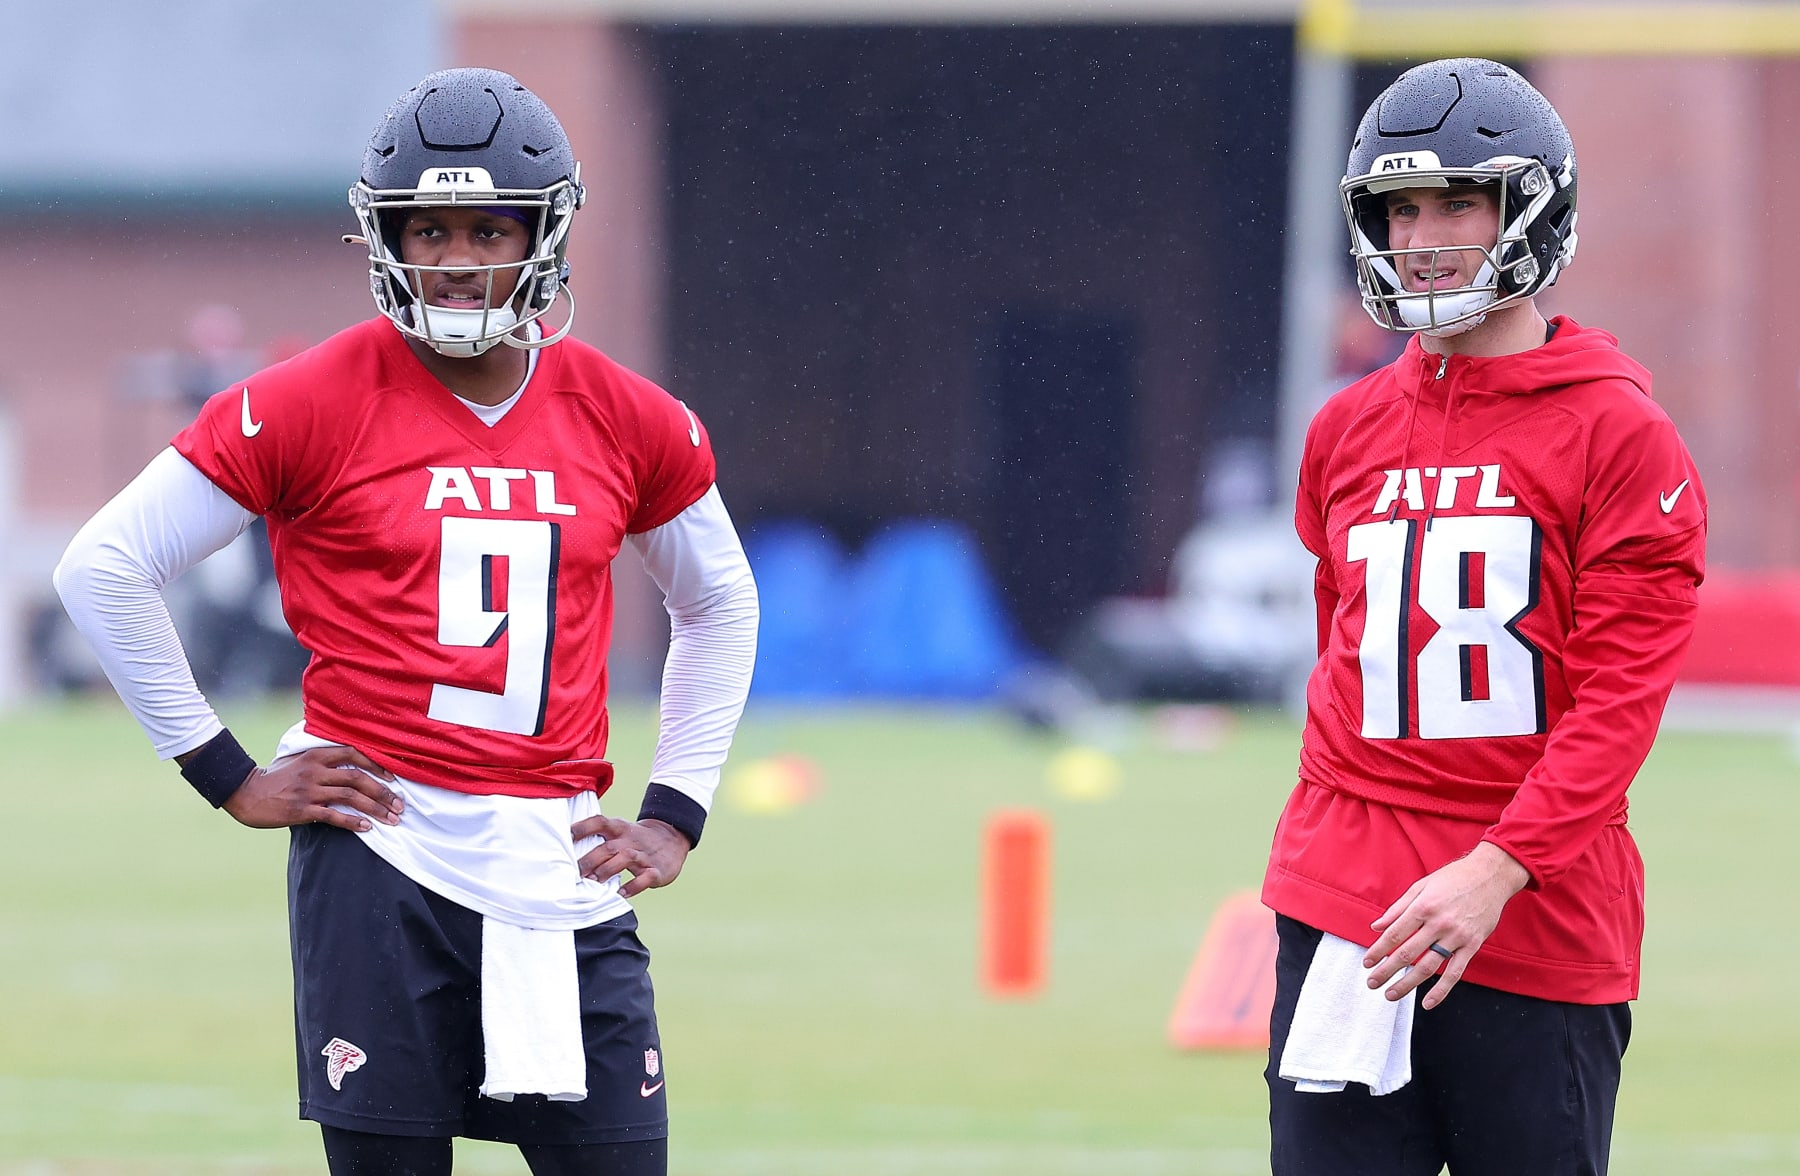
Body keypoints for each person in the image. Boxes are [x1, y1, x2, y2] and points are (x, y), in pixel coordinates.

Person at [54, 68, 758, 1176]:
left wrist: (677, 811)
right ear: (383, 238)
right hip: (381, 850)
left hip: (559, 860)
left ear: (547, 232)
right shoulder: (305, 398)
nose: (457, 257)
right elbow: (104, 566)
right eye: (427, 228)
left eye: (489, 226)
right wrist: (226, 773)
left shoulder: (630, 415)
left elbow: (719, 600)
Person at [1260, 58, 1705, 1174]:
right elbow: (1345, 669)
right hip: (1346, 910)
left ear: (1531, 209)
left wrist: (1500, 864)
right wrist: (1332, 877)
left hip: (1535, 914)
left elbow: (1617, 705)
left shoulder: (1618, 433)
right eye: (1399, 208)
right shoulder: (1346, 427)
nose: (1423, 236)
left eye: (1458, 201)